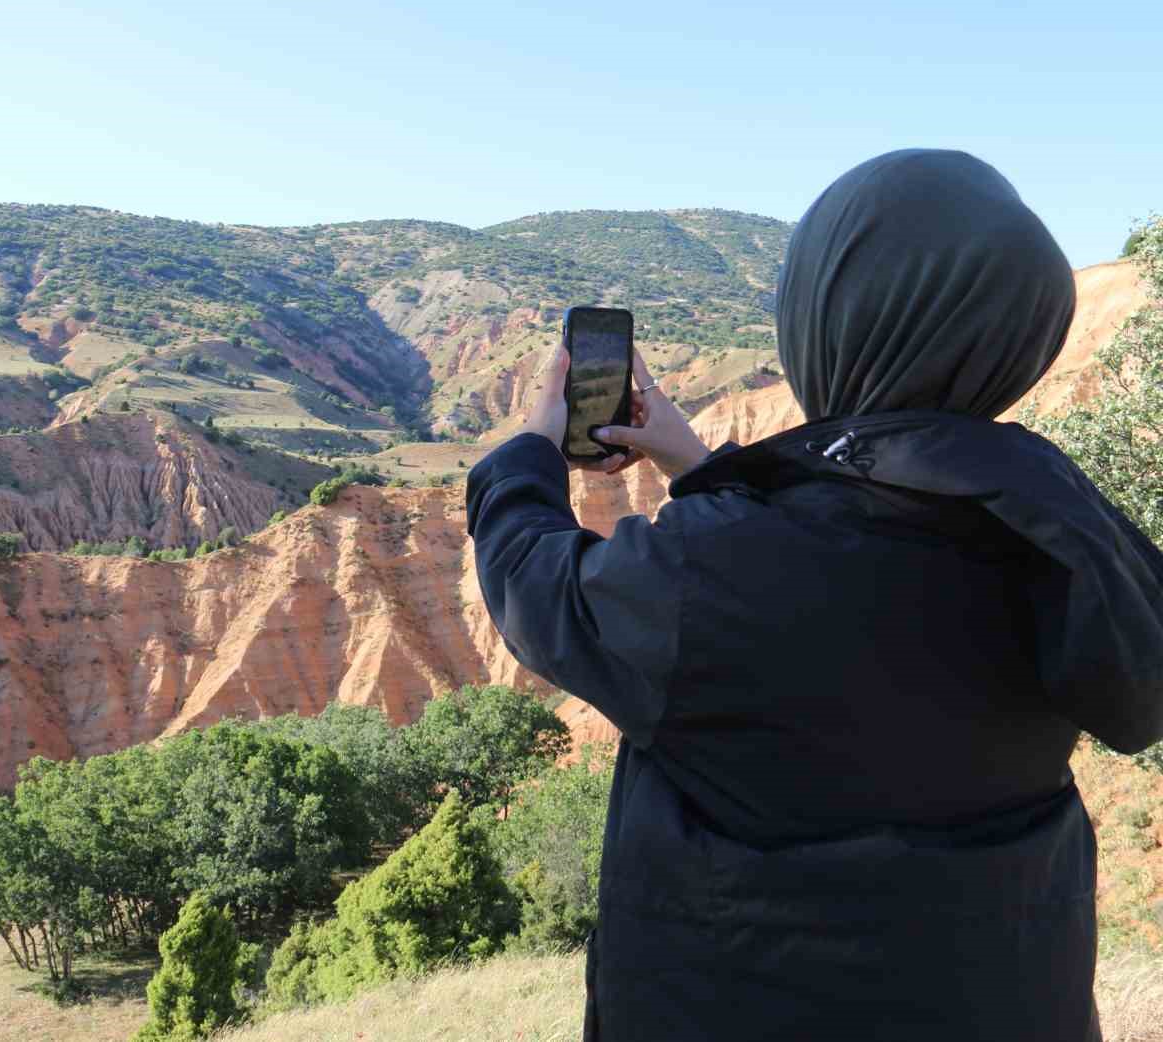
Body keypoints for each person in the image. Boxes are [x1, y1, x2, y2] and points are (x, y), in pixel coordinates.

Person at [466, 149, 1163, 1042]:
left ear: (833, 316)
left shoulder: (718, 573)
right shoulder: (1058, 531)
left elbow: (538, 587)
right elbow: (840, 566)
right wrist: (696, 463)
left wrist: (529, 444)